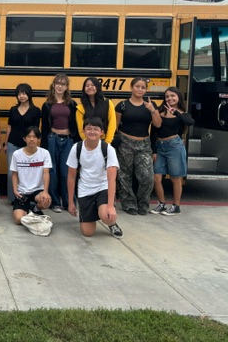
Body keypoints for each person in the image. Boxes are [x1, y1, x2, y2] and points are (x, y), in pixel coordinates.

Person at [66, 117, 124, 239]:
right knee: (87, 232)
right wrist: (71, 202)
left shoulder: (108, 149)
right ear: (83, 131)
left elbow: (111, 179)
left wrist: (110, 206)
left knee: (106, 216)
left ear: (102, 132)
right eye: (89, 129)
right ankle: (92, 213)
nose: (92, 132)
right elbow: (71, 176)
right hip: (85, 190)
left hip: (103, 187)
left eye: (96, 129)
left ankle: (112, 223)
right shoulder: (76, 148)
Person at [115, 77, 162, 215]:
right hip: (125, 142)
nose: (140, 89)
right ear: (131, 87)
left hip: (144, 144)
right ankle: (128, 204)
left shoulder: (150, 104)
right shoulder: (122, 105)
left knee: (147, 177)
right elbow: (116, 126)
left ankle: (142, 203)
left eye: (143, 87)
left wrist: (152, 110)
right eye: (137, 86)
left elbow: (158, 125)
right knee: (124, 175)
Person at [150, 86, 194, 216]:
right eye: (167, 96)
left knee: (176, 177)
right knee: (156, 177)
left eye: (173, 96)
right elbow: (153, 132)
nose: (170, 98)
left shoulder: (182, 114)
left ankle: (176, 206)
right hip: (160, 146)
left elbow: (190, 122)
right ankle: (161, 203)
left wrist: (176, 112)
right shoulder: (159, 111)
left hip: (174, 145)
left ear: (178, 97)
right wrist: (154, 150)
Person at [41, 73, 79, 213]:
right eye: (58, 83)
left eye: (63, 84)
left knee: (66, 171)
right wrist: (44, 144)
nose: (60, 86)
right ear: (53, 85)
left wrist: (76, 140)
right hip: (52, 138)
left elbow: (75, 123)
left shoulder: (72, 103)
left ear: (67, 87)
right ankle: (55, 202)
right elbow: (44, 126)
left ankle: (69, 201)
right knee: (52, 171)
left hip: (68, 139)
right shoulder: (47, 104)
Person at [5, 83, 41, 202]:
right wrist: (6, 143)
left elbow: (36, 129)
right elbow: (9, 127)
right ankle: (13, 198)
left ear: (29, 95)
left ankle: (25, 196)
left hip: (28, 146)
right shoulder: (13, 110)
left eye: (24, 93)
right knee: (12, 172)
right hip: (13, 143)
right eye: (20, 93)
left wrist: (35, 144)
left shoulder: (36, 111)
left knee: (25, 172)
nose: (22, 96)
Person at [10, 126, 52, 226]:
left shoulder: (45, 153)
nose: (32, 139)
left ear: (38, 139)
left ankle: (36, 209)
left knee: (46, 200)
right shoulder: (17, 154)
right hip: (22, 192)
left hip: (38, 190)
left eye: (34, 137)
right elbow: (14, 174)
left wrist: (45, 192)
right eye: (29, 136)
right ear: (24, 138)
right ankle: (27, 210)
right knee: (18, 219)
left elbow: (46, 173)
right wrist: (15, 190)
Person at [76, 77, 116, 143]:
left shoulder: (108, 103)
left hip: (104, 140)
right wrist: (89, 142)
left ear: (97, 87)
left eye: (92, 85)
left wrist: (107, 142)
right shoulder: (80, 108)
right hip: (88, 143)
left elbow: (112, 123)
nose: (90, 87)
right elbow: (81, 129)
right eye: (87, 86)